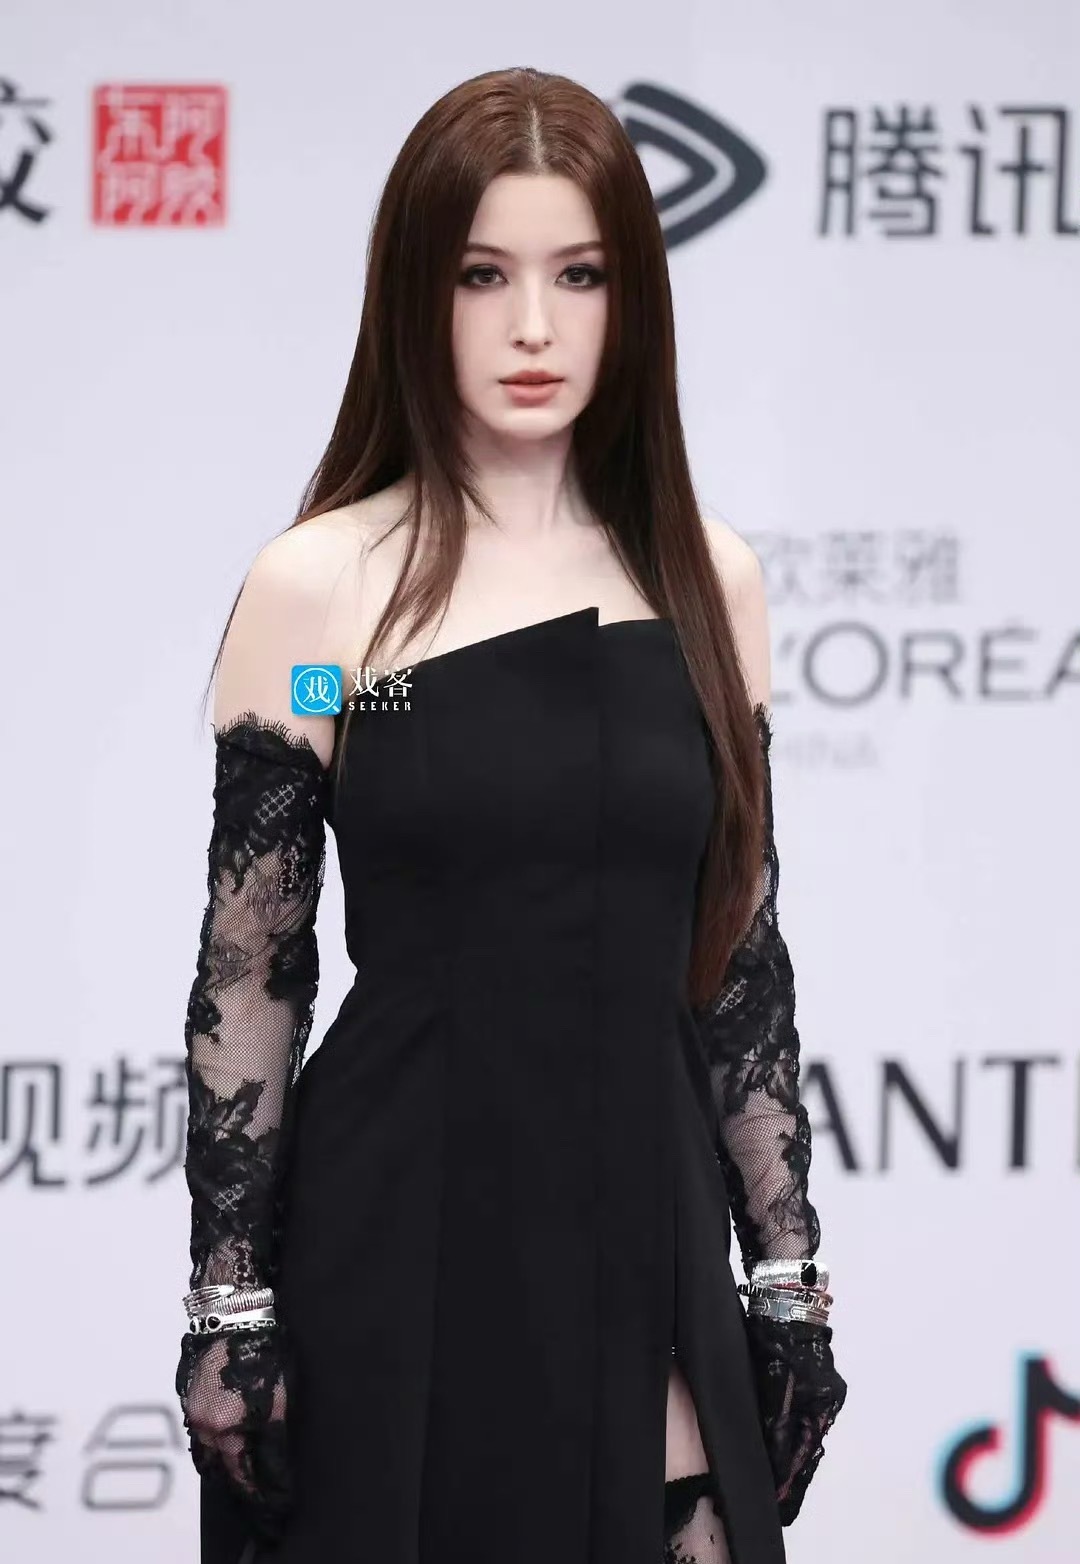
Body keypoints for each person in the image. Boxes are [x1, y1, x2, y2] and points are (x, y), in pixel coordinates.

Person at [174, 65, 847, 1564]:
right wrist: (229, 1295)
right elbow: (253, 971)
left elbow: (739, 954)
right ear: (417, 291)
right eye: (484, 274)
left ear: (633, 298)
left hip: (645, 1216)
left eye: (578, 274)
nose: (533, 325)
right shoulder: (323, 597)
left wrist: (787, 1277)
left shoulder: (711, 582)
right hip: (398, 1218)